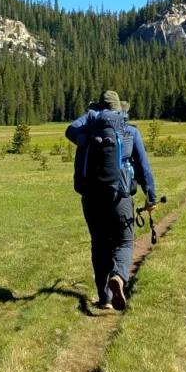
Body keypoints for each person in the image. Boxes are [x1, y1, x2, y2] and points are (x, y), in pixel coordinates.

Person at [64, 90, 156, 311]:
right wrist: (150, 197)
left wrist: (91, 115)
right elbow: (144, 168)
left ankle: (104, 298)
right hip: (120, 197)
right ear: (119, 110)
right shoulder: (130, 132)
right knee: (124, 241)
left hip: (91, 198)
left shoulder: (85, 131)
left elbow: (69, 129)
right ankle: (119, 277)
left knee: (99, 244)